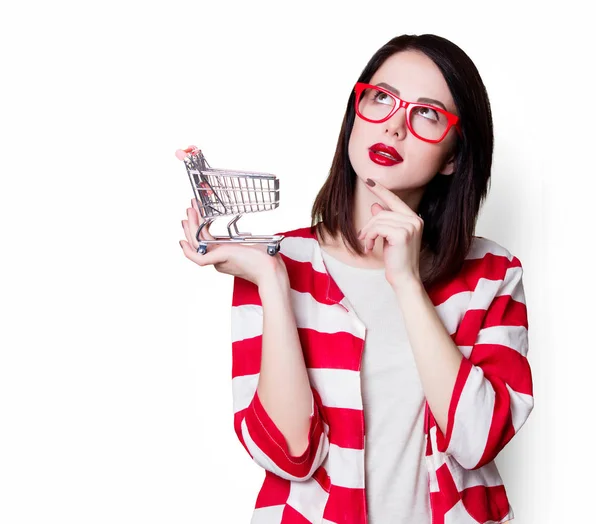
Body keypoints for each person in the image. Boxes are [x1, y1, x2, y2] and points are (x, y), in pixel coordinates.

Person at [179, 34, 533, 524]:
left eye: (427, 114)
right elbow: (291, 456)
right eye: (382, 98)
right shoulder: (275, 261)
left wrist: (407, 283)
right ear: (356, 112)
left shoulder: (493, 275)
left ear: (454, 156)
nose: (394, 126)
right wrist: (274, 285)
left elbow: (476, 443)